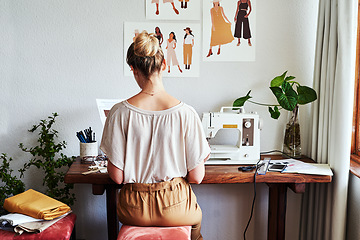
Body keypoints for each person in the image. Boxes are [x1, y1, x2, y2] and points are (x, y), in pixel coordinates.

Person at [100, 30, 210, 240]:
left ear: (133, 69)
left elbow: (117, 176)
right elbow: (197, 177)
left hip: (133, 209)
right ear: (164, 65)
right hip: (175, 206)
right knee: (196, 220)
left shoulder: (119, 112)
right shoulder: (186, 113)